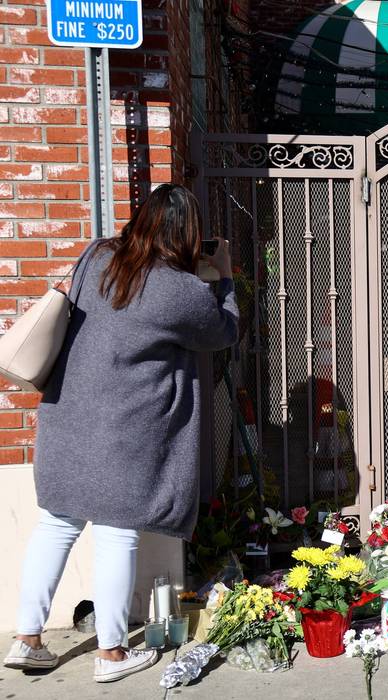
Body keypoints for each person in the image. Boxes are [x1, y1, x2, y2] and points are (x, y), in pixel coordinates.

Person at [4, 184, 238, 682]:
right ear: (187, 235)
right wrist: (223, 276)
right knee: (117, 534)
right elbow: (222, 331)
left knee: (56, 525)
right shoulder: (180, 291)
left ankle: (27, 639)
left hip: (67, 419)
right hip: (126, 434)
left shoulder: (97, 256)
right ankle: (111, 654)